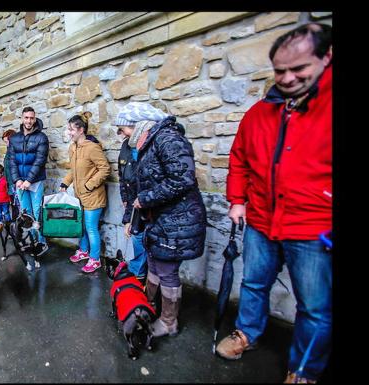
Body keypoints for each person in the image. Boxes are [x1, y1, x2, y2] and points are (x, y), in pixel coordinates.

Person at [215, 23, 332, 384]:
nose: (287, 78)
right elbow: (239, 159)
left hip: (315, 227)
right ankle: (247, 333)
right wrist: (237, 200)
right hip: (263, 221)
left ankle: (303, 370)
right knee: (253, 284)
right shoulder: (259, 113)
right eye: (280, 70)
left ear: (326, 57)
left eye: (299, 69)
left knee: (314, 308)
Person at [115, 101, 206, 338]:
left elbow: (182, 179)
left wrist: (145, 199)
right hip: (161, 219)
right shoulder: (151, 142)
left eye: (123, 128)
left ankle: (168, 322)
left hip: (177, 220)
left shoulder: (168, 139)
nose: (121, 134)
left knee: (166, 271)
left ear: (137, 125)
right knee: (154, 264)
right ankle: (150, 307)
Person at [59, 112, 111, 273]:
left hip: (93, 196)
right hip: (79, 196)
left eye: (71, 129)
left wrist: (89, 185)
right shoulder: (73, 147)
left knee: (90, 227)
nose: (69, 132)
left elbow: (105, 169)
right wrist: (65, 183)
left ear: (81, 130)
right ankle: (83, 250)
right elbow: (73, 170)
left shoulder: (92, 148)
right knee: (81, 226)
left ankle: (95, 259)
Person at [7, 106, 49, 255]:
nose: (29, 121)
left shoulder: (41, 138)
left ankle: (41, 243)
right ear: (22, 118)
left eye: (32, 118)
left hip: (35, 182)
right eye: (26, 117)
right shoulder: (14, 138)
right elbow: (12, 161)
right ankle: (31, 242)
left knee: (37, 213)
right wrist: (16, 180)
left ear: (35, 118)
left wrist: (29, 180)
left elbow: (40, 160)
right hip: (20, 183)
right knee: (25, 214)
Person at [116, 122, 147, 282]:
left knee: (140, 237)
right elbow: (123, 177)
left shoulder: (149, 147)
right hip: (133, 202)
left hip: (146, 203)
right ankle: (138, 274)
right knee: (136, 236)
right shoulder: (125, 147)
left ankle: (137, 275)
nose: (123, 134)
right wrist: (124, 198)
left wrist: (129, 218)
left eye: (124, 130)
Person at [1, 129, 19, 219]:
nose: (6, 144)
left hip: (16, 183)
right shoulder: (9, 150)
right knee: (14, 205)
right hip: (10, 183)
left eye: (7, 141)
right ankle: (15, 228)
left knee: (18, 206)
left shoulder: (16, 151)